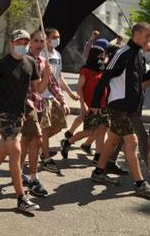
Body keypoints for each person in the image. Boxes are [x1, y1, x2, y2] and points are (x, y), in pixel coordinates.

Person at [0, 29, 52, 212]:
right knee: (16, 150)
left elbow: (38, 88)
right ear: (11, 43)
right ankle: (21, 197)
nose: (23, 45)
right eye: (19, 42)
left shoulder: (30, 62)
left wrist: (47, 75)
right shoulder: (2, 64)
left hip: (19, 113)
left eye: (25, 42)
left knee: (5, 148)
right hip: (3, 113)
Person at [90, 22, 150, 198]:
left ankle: (99, 172)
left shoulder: (139, 55)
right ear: (137, 34)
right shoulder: (121, 53)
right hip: (118, 106)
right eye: (147, 36)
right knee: (131, 143)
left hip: (131, 108)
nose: (149, 40)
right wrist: (95, 103)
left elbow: (141, 81)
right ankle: (140, 184)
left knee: (113, 140)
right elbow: (104, 77)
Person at [22, 30, 60, 197]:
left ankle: (14, 171)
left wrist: (62, 99)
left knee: (25, 142)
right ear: (30, 42)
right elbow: (36, 87)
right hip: (24, 106)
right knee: (37, 139)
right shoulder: (24, 59)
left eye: (42, 41)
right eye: (36, 41)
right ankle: (33, 179)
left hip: (38, 105)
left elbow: (49, 85)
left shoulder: (44, 61)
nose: (39, 44)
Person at [61, 46, 109, 163]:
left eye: (103, 57)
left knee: (101, 131)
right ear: (93, 56)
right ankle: (67, 142)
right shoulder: (86, 70)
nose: (102, 59)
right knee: (90, 131)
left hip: (103, 105)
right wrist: (83, 105)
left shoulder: (103, 69)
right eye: (99, 57)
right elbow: (79, 87)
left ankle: (98, 157)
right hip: (91, 106)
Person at [39, 28, 76, 173]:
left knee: (59, 125)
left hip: (53, 95)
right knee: (45, 128)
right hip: (42, 96)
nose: (57, 39)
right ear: (46, 39)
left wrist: (69, 93)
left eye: (58, 37)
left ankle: (41, 146)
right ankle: (46, 157)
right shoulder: (40, 54)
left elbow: (59, 77)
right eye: (54, 37)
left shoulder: (57, 54)